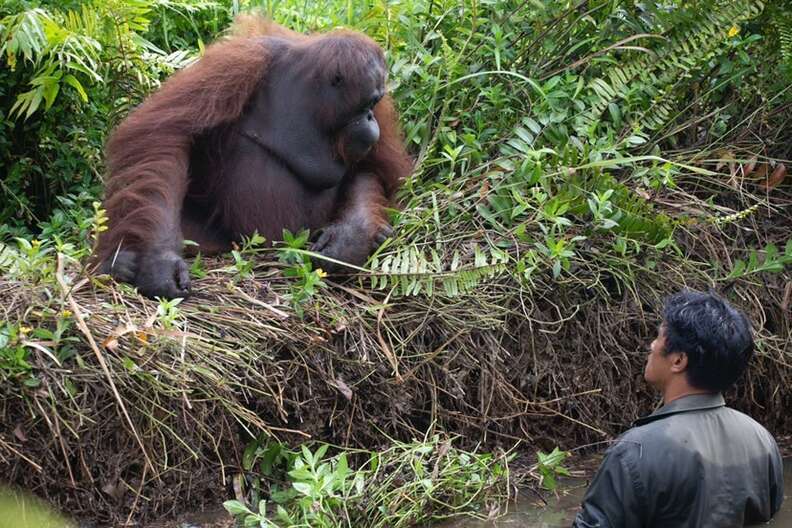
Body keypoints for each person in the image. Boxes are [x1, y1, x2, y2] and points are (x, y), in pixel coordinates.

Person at [572, 289, 784, 528]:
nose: (651, 345)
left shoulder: (634, 451)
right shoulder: (762, 441)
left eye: (659, 337)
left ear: (678, 360)